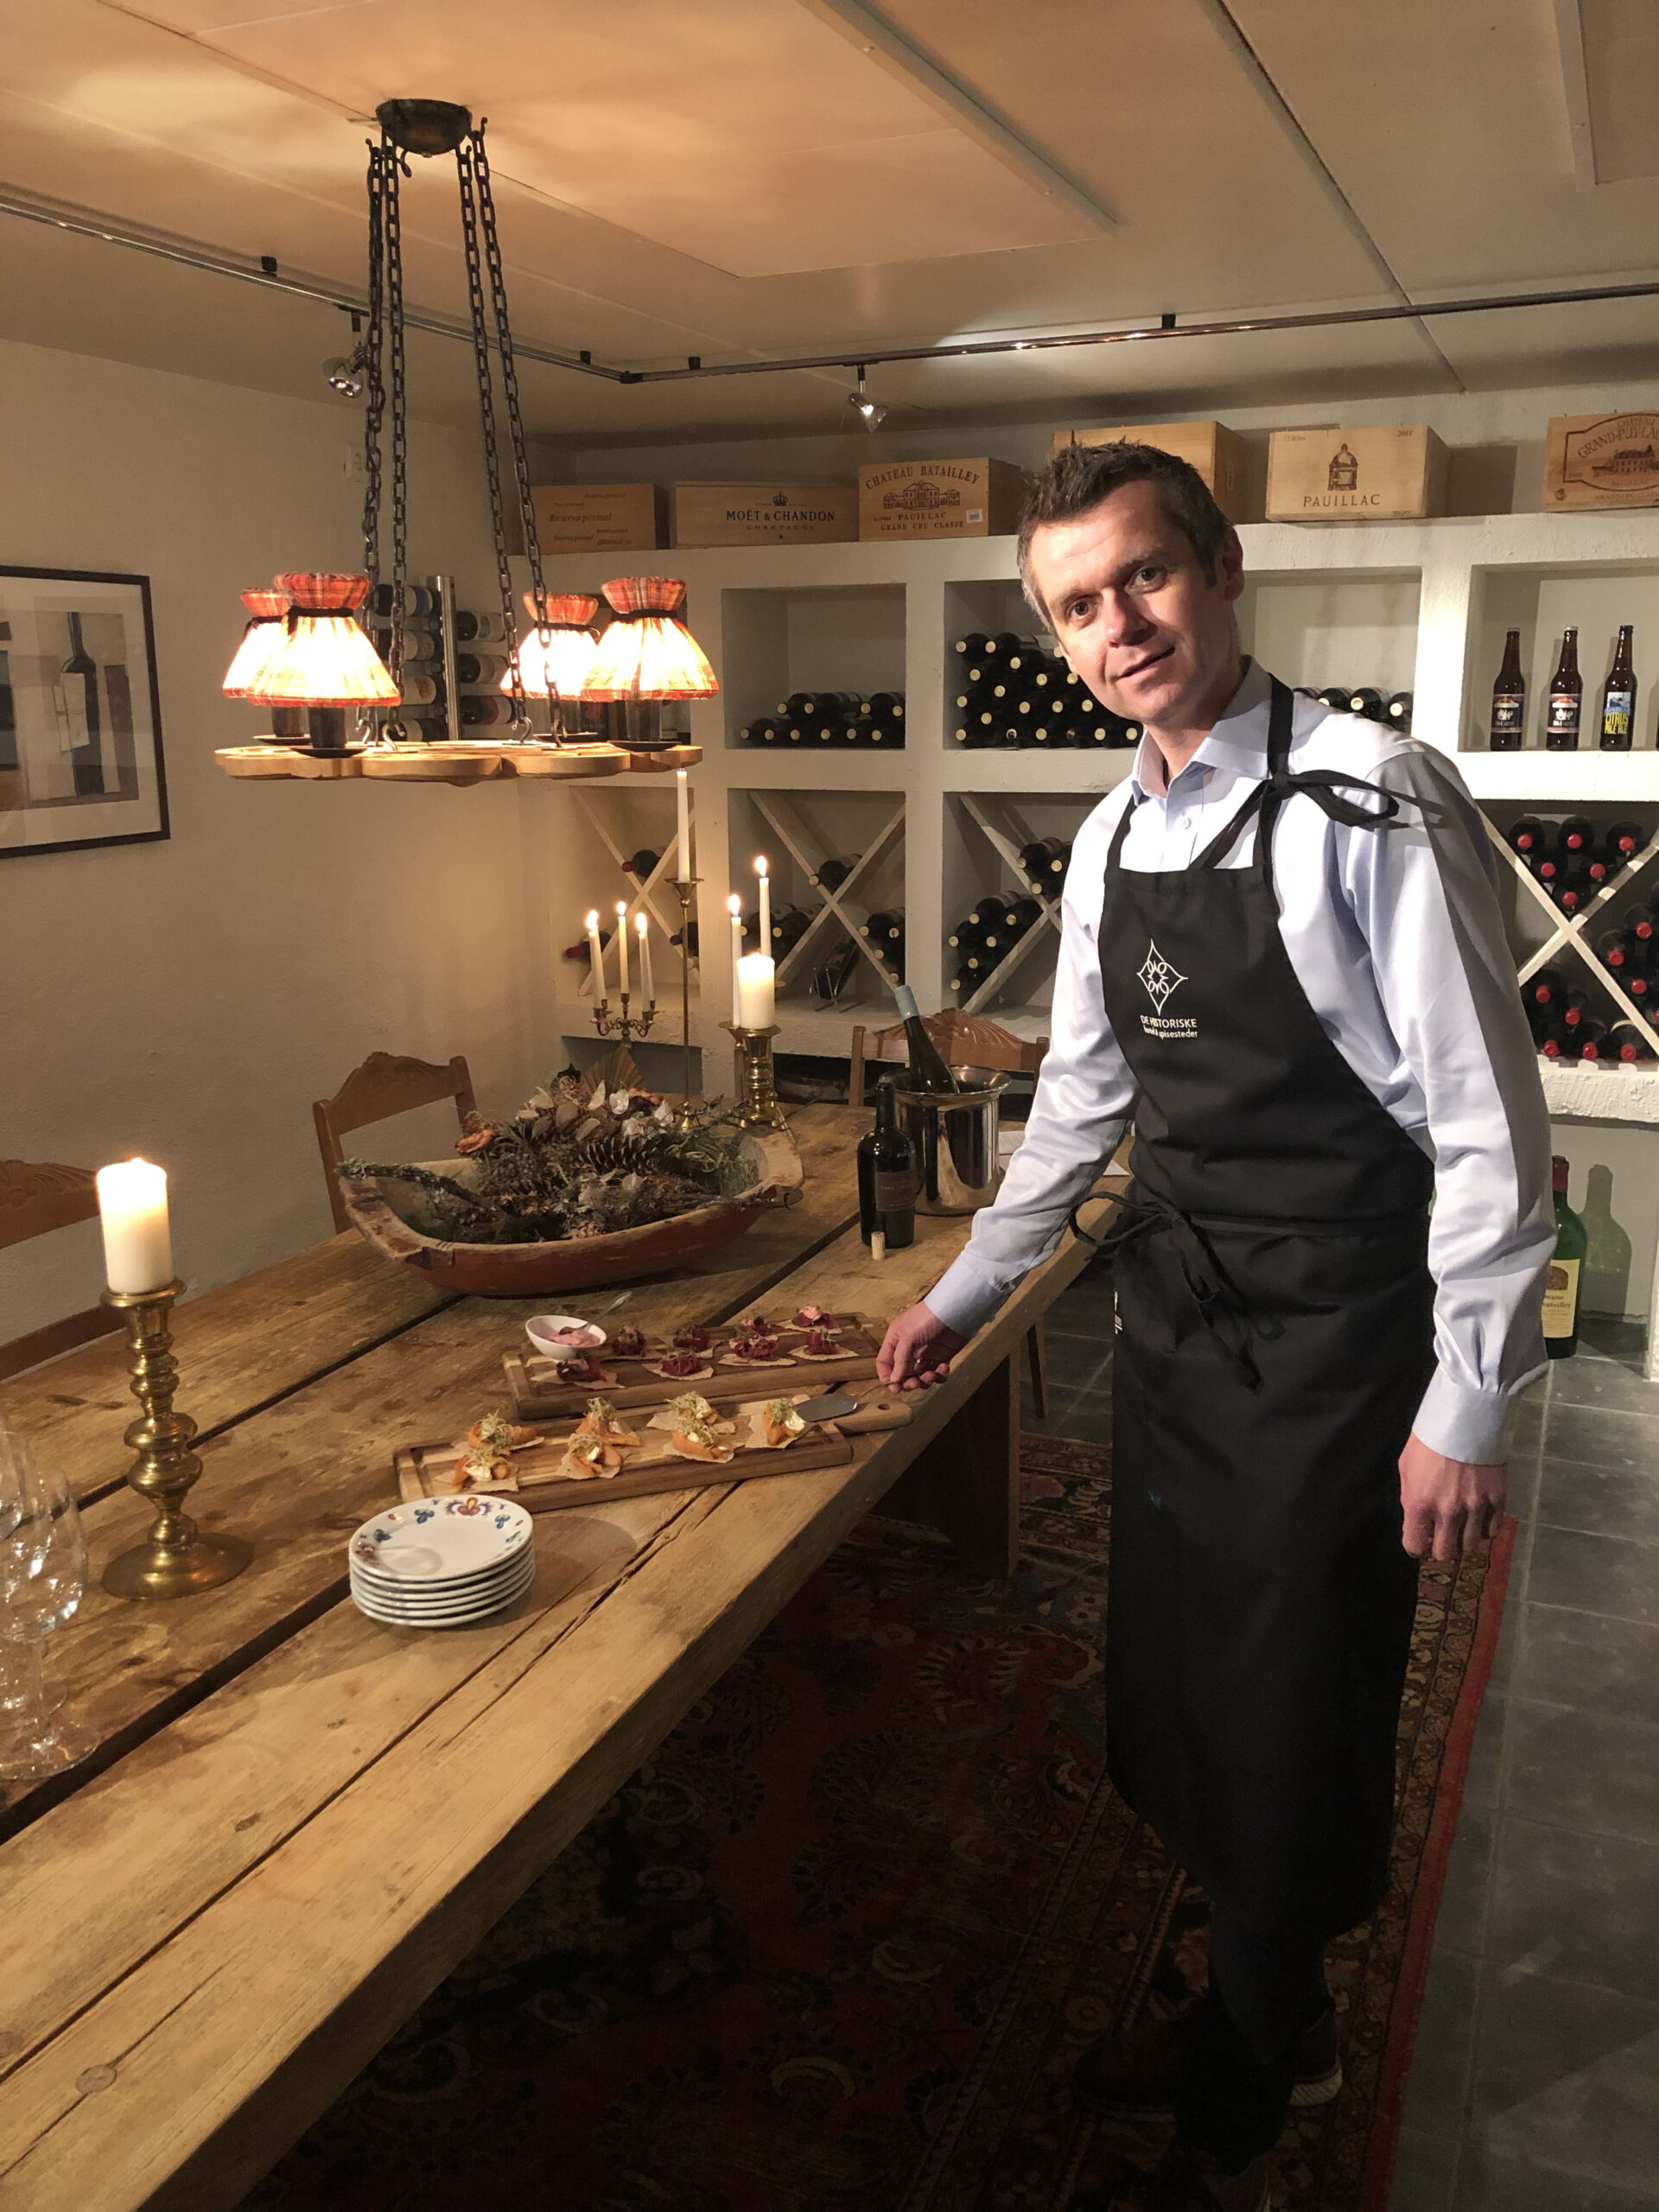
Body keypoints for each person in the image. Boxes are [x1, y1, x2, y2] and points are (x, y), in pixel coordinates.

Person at [876, 442, 1553, 2212]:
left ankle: (1257, 2068)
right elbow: (1080, 1104)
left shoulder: (1375, 797)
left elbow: (1489, 1120)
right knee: (1185, 1676)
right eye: (1077, 606)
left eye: (1144, 576)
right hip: (1180, 1324)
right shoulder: (1112, 836)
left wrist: (1469, 1401)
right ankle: (1259, 1993)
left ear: (1222, 566)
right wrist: (964, 1290)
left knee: (1294, 1694)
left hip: (1339, 1338)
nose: (1118, 625)